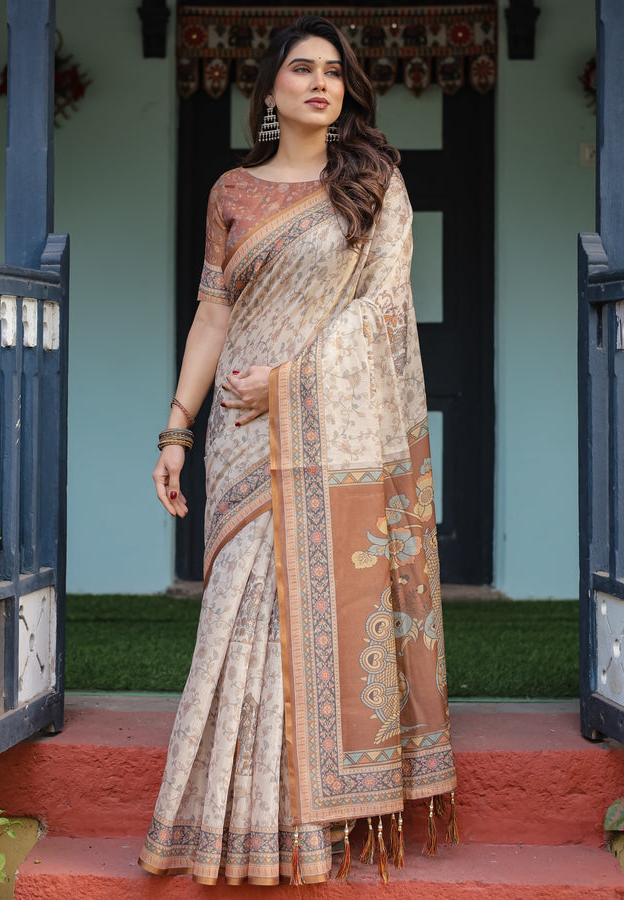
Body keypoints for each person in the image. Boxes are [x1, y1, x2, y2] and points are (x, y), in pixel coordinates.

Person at [138, 15, 457, 886]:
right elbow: (213, 314)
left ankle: (307, 832)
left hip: (323, 430)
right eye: (301, 69)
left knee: (311, 618)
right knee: (239, 614)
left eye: (334, 71)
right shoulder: (232, 191)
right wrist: (177, 426)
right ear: (270, 89)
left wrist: (290, 383)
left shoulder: (374, 185)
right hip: (239, 440)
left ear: (347, 89)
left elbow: (383, 312)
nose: (320, 82)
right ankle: (223, 826)